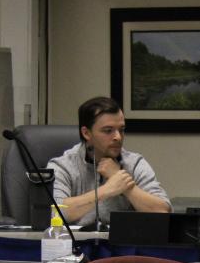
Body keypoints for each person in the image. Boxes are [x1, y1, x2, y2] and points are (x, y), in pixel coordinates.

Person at [48, 96, 171, 228]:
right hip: (75, 245)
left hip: (124, 245)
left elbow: (163, 212)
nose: (118, 137)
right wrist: (107, 190)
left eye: (121, 130)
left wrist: (126, 186)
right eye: (108, 131)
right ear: (86, 133)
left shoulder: (134, 163)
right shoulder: (63, 166)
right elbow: (55, 212)